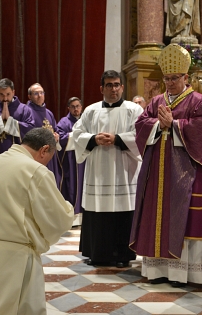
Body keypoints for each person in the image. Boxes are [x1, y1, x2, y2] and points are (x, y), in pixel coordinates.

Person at [129, 43, 202, 287]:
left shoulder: (198, 101)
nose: (169, 82)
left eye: (174, 78)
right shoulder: (156, 101)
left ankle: (185, 274)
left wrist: (175, 125)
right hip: (157, 170)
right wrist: (157, 126)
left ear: (186, 77)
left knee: (185, 217)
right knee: (156, 215)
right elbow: (141, 124)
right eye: (167, 78)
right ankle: (159, 271)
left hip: (186, 171)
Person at [0, 128, 74, 315]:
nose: (47, 163)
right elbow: (58, 217)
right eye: (49, 157)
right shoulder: (34, 171)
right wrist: (68, 208)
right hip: (14, 256)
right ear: (44, 150)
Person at [70, 70, 143, 268]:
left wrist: (118, 139)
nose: (113, 89)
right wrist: (93, 139)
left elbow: (142, 134)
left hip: (124, 169)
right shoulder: (91, 110)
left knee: (122, 211)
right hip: (99, 169)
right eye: (109, 85)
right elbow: (77, 134)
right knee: (98, 211)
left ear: (122, 87)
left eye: (117, 84)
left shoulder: (134, 110)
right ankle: (98, 253)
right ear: (101, 88)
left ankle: (122, 254)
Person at [0, 78, 35, 162]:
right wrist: (0, 120)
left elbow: (30, 129)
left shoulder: (24, 109)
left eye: (8, 94)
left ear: (13, 92)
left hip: (17, 158)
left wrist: (10, 121)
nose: (5, 98)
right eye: (1, 94)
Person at [27, 83, 62, 189]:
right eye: (36, 93)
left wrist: (56, 137)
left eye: (41, 93)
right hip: (36, 154)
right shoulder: (27, 111)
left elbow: (55, 130)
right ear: (29, 96)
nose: (39, 95)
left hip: (50, 154)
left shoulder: (49, 113)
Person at [56, 97, 85, 222]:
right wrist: (78, 136)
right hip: (71, 160)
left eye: (78, 106)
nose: (76, 109)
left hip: (84, 159)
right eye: (73, 106)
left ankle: (85, 215)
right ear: (68, 108)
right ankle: (72, 217)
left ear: (81, 107)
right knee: (72, 186)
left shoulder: (86, 120)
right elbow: (61, 139)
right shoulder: (64, 122)